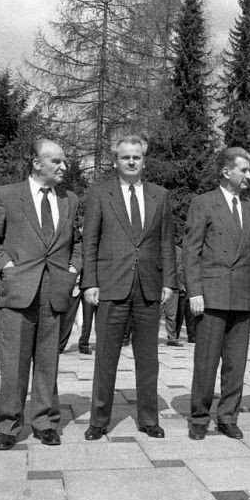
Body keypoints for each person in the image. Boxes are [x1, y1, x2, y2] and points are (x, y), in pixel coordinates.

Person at [0, 139, 83, 451]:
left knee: (48, 361)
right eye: (57, 162)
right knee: (13, 363)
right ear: (37, 163)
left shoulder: (70, 199)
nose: (64, 167)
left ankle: (46, 422)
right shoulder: (8, 195)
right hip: (18, 289)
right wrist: (7, 266)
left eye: (64, 162)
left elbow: (78, 242)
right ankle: (9, 427)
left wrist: (74, 269)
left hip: (55, 292)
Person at [82, 133, 177, 440]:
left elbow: (166, 242)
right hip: (111, 286)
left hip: (149, 287)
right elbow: (90, 241)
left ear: (144, 161)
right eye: (126, 157)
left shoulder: (159, 195)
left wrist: (169, 282)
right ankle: (98, 420)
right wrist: (90, 282)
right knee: (106, 358)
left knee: (148, 360)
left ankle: (149, 419)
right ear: (116, 161)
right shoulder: (99, 194)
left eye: (136, 157)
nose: (131, 161)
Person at [185, 148, 250, 440]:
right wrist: (194, 291)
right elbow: (191, 250)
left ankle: (228, 416)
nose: (249, 175)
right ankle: (199, 417)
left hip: (243, 295)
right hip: (211, 294)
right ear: (226, 172)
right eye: (244, 170)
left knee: (236, 363)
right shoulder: (203, 203)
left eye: (249, 170)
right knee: (206, 362)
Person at [164, 245, 196, 346]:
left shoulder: (155, 245)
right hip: (173, 286)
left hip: (158, 284)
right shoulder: (178, 251)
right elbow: (180, 270)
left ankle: (149, 337)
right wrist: (183, 285)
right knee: (171, 315)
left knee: (156, 313)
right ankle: (172, 338)